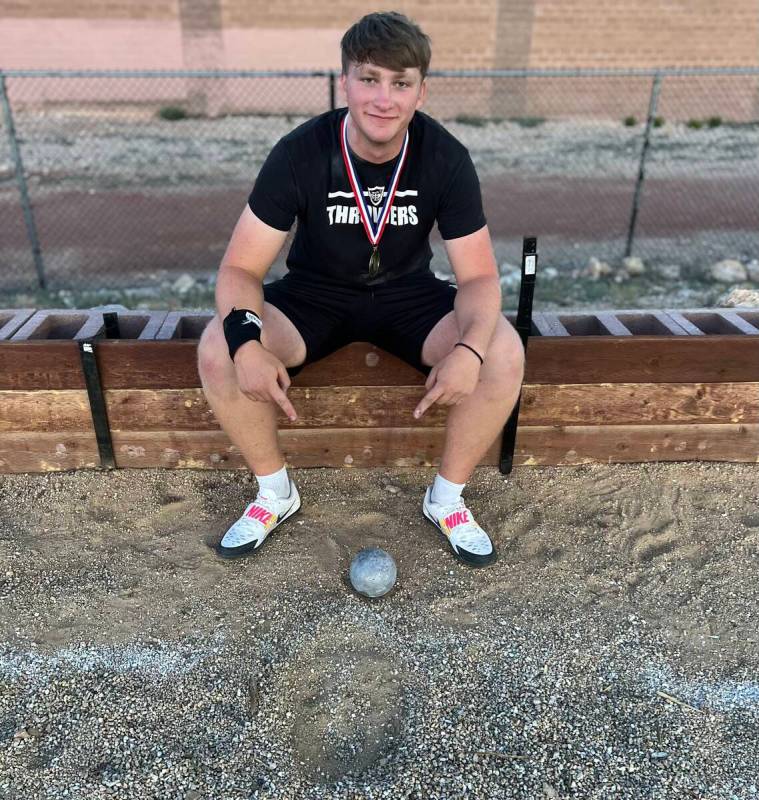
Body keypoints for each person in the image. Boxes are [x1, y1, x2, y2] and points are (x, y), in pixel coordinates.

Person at [197, 11, 525, 568]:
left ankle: (445, 500)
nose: (383, 98)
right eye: (369, 79)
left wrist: (468, 352)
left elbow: (478, 278)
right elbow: (239, 270)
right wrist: (248, 345)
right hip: (314, 294)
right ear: (344, 80)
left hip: (407, 293)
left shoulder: (445, 157)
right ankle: (275, 493)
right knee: (218, 347)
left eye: (401, 83)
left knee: (502, 352)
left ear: (422, 91)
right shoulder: (301, 152)